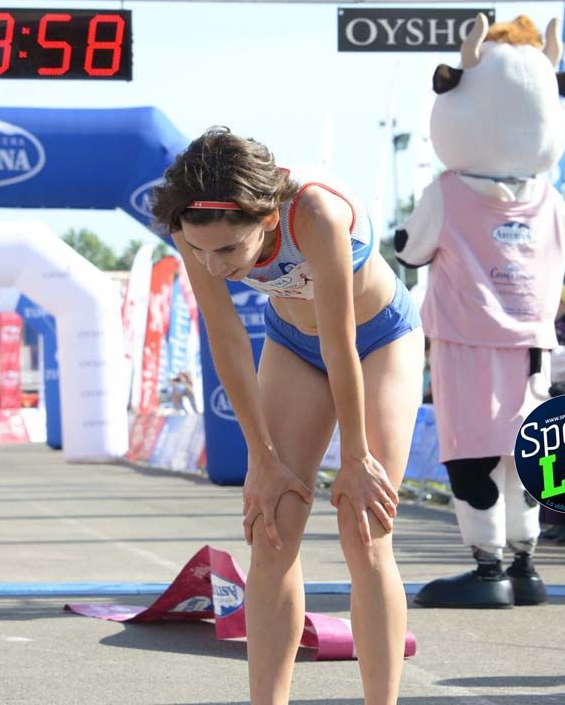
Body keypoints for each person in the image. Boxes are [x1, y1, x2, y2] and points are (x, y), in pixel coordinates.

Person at [151, 127, 423, 704]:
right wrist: (262, 459)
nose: (213, 263)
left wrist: (356, 459)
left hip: (376, 341)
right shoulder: (193, 224)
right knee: (271, 530)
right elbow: (226, 340)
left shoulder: (315, 212)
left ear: (268, 219)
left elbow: (341, 342)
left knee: (364, 528)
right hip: (293, 342)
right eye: (200, 250)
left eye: (228, 250)